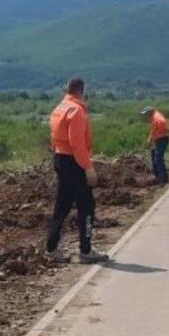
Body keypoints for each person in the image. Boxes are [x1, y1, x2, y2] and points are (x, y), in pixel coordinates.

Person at [45, 78, 109, 264]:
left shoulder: (59, 108)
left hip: (60, 158)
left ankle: (52, 248)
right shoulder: (76, 110)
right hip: (74, 162)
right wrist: (88, 168)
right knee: (86, 206)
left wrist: (58, 160)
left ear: (67, 89)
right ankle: (86, 250)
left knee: (62, 205)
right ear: (81, 90)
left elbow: (53, 139)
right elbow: (77, 144)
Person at [141, 106, 169, 185]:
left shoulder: (157, 117)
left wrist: (159, 134)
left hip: (162, 139)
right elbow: (153, 130)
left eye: (146, 113)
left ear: (150, 112)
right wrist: (150, 140)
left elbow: (162, 125)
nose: (145, 115)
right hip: (157, 139)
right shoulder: (153, 117)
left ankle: (163, 179)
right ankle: (156, 176)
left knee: (158, 159)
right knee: (153, 155)